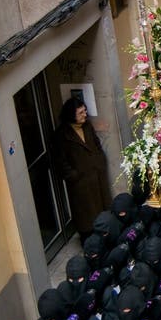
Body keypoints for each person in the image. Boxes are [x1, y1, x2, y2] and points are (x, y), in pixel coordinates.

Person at [52, 98, 112, 244]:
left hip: (97, 174)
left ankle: (106, 234)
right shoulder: (62, 135)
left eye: (85, 111)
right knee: (86, 213)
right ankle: (90, 241)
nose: (85, 115)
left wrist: (101, 160)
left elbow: (96, 144)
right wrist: (73, 175)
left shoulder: (87, 126)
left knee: (102, 206)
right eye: (81, 112)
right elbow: (60, 160)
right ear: (71, 114)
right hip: (81, 181)